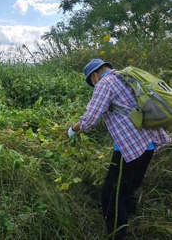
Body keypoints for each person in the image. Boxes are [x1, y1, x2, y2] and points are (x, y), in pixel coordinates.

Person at [68, 59, 170, 239]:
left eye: (92, 82)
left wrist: (72, 129)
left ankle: (117, 234)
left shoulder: (104, 83)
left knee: (111, 195)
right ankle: (131, 216)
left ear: (94, 75)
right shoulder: (125, 76)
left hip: (130, 147)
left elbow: (90, 119)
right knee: (128, 186)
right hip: (150, 142)